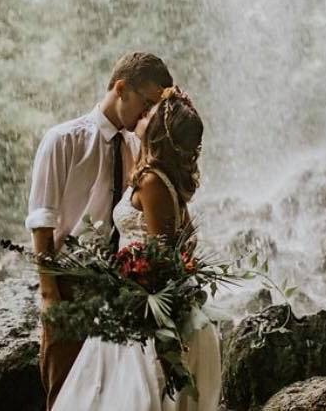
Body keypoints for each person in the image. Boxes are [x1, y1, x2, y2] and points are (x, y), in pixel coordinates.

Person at [52, 86, 221, 411]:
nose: (144, 113)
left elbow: (162, 256)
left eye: (150, 113)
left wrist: (130, 285)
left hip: (141, 306)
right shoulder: (153, 176)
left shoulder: (154, 181)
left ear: (161, 130)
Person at [26, 52, 173, 410]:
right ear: (121, 88)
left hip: (122, 291)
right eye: (147, 103)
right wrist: (50, 296)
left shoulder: (139, 147)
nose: (148, 114)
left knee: (109, 396)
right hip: (71, 285)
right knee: (65, 393)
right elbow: (42, 222)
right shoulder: (63, 139)